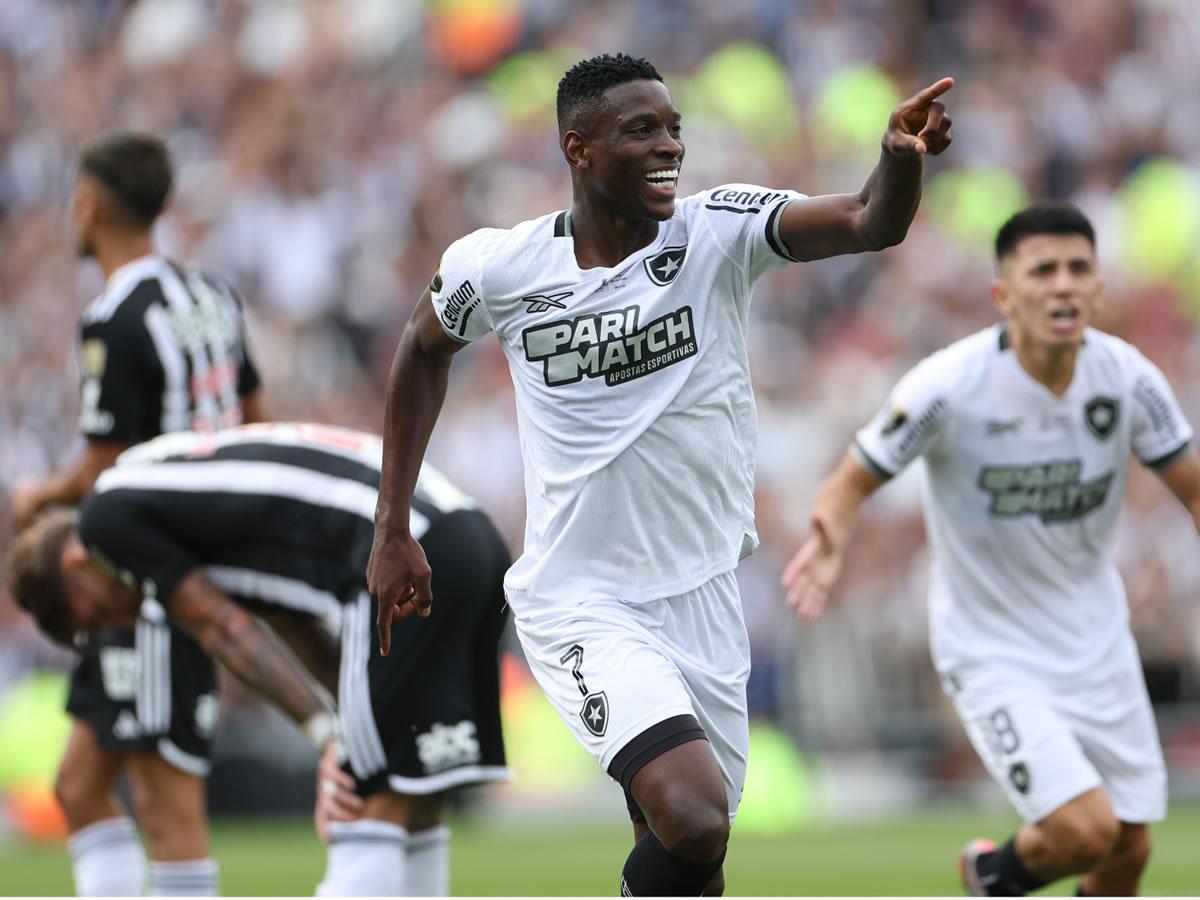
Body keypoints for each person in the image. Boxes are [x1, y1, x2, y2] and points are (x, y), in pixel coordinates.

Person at [367, 52, 953, 895]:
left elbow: (869, 220)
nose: (668, 145)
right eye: (642, 129)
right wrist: (392, 525)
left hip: (704, 596)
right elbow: (422, 348)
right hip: (582, 598)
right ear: (579, 148)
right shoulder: (500, 266)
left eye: (675, 128)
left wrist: (897, 161)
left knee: (693, 853)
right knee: (693, 813)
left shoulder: (715, 232)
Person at [782, 203, 1200, 897]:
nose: (1062, 286)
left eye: (1078, 270)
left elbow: (1191, 487)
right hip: (992, 647)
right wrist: (830, 539)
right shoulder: (950, 386)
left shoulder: (1127, 379)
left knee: (1127, 849)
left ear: (1098, 289)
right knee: (1084, 831)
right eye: (1043, 271)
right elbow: (851, 479)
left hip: (1097, 640)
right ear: (1004, 295)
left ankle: (992, 880)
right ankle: (991, 877)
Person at [7, 422, 512, 897]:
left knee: (358, 801)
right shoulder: (179, 495)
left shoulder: (106, 518)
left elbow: (224, 629)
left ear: (76, 564)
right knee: (414, 798)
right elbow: (293, 624)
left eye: (94, 615)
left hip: (396, 555)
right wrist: (348, 719)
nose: (119, 619)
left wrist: (330, 737)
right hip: (470, 538)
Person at [9, 131, 263, 897]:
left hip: (153, 577)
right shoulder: (210, 294)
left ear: (87, 206)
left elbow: (102, 463)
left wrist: (39, 495)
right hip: (187, 560)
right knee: (80, 787)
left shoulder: (114, 315)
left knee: (167, 808)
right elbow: (255, 415)